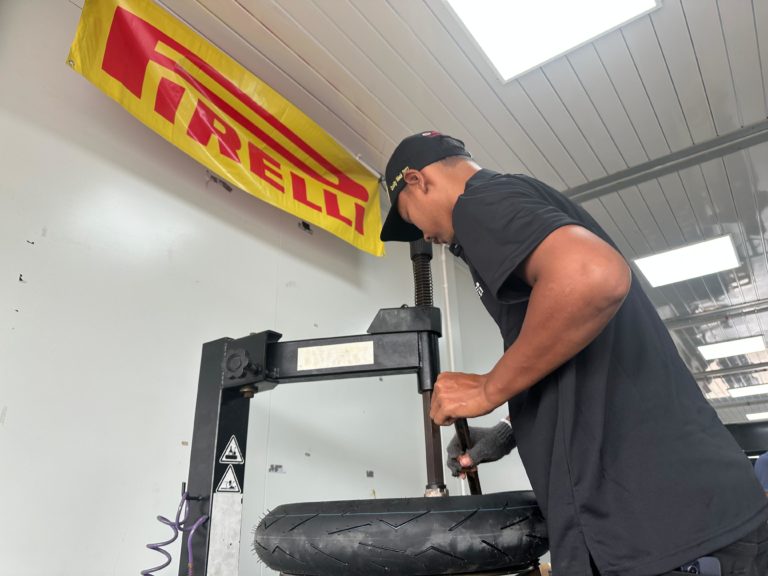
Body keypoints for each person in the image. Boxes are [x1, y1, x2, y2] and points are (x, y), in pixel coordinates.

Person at [379, 131, 768, 576]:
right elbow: (586, 361)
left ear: (417, 181)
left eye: (409, 217)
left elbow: (592, 276)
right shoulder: (519, 199)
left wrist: (488, 388)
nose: (423, 234)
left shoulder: (478, 201)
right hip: (694, 520)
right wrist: (510, 430)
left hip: (658, 531)